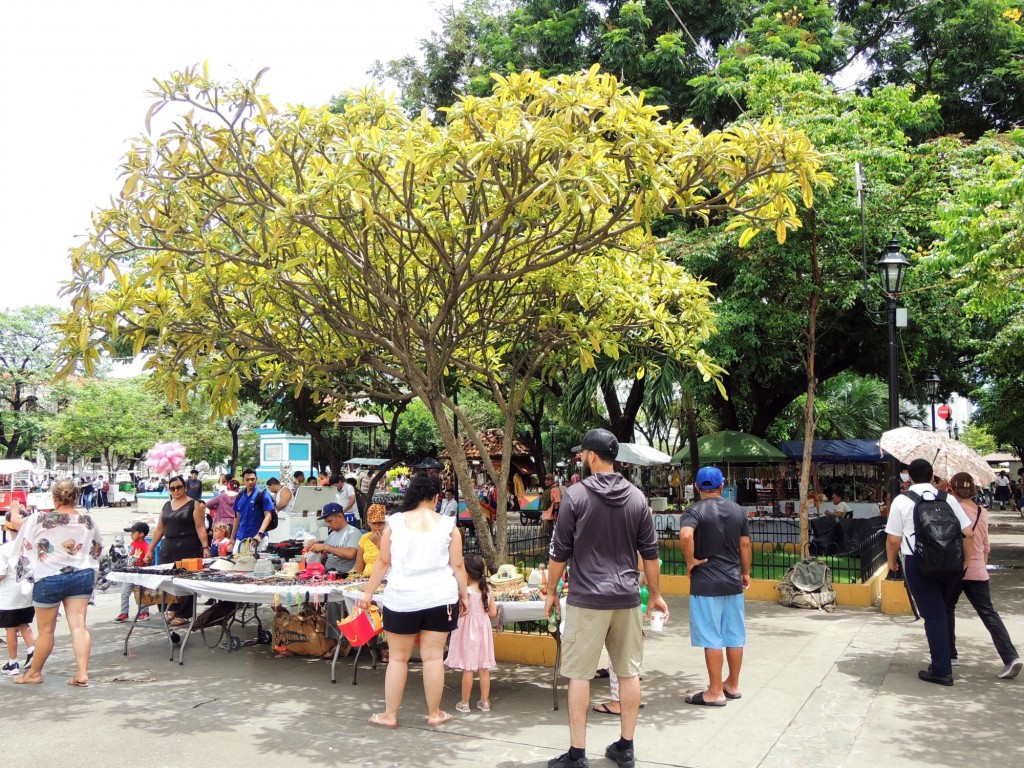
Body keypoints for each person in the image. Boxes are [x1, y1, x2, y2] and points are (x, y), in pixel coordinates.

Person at [545, 428, 666, 768]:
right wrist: (654, 595)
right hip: (627, 598)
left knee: (579, 675)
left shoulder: (575, 496)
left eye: (583, 453)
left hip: (587, 599)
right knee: (629, 674)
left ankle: (577, 754)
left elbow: (559, 552)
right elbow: (651, 554)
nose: (581, 458)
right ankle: (625, 747)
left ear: (593, 457)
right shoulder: (638, 498)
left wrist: (551, 592)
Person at [359, 472, 468, 728]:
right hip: (440, 598)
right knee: (433, 658)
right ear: (436, 497)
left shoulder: (394, 524)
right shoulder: (448, 526)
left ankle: (389, 715)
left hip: (402, 599)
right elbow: (459, 565)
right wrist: (464, 595)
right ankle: (434, 713)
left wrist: (367, 593)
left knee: (398, 658)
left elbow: (383, 562)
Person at [885, 458, 975, 686]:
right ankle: (945, 658)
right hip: (950, 564)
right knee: (941, 611)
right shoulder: (948, 499)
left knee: (934, 615)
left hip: (918, 562)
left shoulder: (902, 501)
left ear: (909, 476)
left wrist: (891, 563)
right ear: (932, 474)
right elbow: (969, 534)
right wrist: (965, 561)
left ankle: (942, 670)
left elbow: (893, 540)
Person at [10, 479, 102, 686]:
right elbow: (97, 549)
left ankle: (34, 673)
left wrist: (15, 510)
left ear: (54, 497)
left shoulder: (40, 518)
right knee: (79, 626)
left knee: (46, 630)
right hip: (81, 575)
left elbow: (21, 534)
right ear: (76, 497)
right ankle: (82, 673)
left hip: (49, 577)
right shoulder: (87, 520)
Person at [680, 466, 752, 706]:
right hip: (732, 581)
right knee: (734, 636)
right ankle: (732, 684)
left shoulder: (694, 510)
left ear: (698, 488)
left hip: (706, 582)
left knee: (712, 638)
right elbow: (745, 546)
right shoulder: (738, 511)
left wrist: (691, 561)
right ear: (722, 486)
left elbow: (686, 536)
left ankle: (715, 691)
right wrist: (745, 572)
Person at [946, 473, 1022, 678]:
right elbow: (986, 546)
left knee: (947, 609)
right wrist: (979, 564)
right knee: (989, 614)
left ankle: (950, 654)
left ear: (953, 490)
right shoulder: (982, 511)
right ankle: (1011, 657)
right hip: (978, 568)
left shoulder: (954, 508)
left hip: (955, 569)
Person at [144, 474, 210, 627]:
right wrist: (150, 550)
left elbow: (200, 527)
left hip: (189, 545)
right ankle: (170, 609)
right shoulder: (166, 505)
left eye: (179, 487)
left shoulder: (194, 505)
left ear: (185, 488)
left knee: (185, 581)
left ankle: (184, 613)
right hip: (168, 546)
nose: (176, 490)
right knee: (165, 579)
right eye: (172, 488)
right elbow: (160, 529)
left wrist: (205, 546)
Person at [446, 554, 498, 713]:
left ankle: (465, 703)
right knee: (484, 668)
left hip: (467, 632)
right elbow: (493, 613)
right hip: (483, 630)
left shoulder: (465, 592)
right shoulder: (487, 589)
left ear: (466, 573)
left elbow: (457, 612)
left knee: (468, 668)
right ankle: (485, 702)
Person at [311, 502, 362, 656]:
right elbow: (327, 553)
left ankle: (338, 640)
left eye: (330, 521)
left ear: (340, 516)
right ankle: (315, 636)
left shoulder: (353, 533)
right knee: (309, 597)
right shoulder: (332, 534)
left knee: (334, 600)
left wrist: (326, 548)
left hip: (344, 576)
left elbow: (351, 554)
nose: (328, 524)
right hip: (327, 574)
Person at [0, 534, 35, 676]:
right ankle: (32, 650)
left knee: (10, 629)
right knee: (24, 624)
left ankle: (13, 662)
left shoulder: (5, 548)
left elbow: (1, 574)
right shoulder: (31, 547)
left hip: (9, 596)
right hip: (26, 594)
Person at [230, 469, 274, 552]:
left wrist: (260, 534)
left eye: (252, 479)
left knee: (254, 563)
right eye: (247, 480)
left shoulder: (263, 495)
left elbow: (268, 516)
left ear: (256, 479)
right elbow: (237, 517)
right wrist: (232, 538)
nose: (250, 482)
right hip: (241, 537)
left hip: (257, 538)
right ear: (243, 481)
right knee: (237, 561)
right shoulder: (240, 496)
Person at [114, 522, 151, 623]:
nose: (131, 535)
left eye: (133, 533)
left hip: (140, 573)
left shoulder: (146, 546)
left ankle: (144, 611)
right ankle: (124, 612)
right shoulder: (132, 544)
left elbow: (147, 558)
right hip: (130, 572)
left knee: (141, 593)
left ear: (141, 534)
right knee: (124, 592)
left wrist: (145, 559)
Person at [354, 504, 387, 577]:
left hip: (385, 578)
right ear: (369, 523)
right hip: (366, 578)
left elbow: (390, 560)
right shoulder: (365, 538)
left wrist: (378, 542)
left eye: (381, 522)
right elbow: (359, 566)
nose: (377, 526)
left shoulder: (391, 537)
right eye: (374, 523)